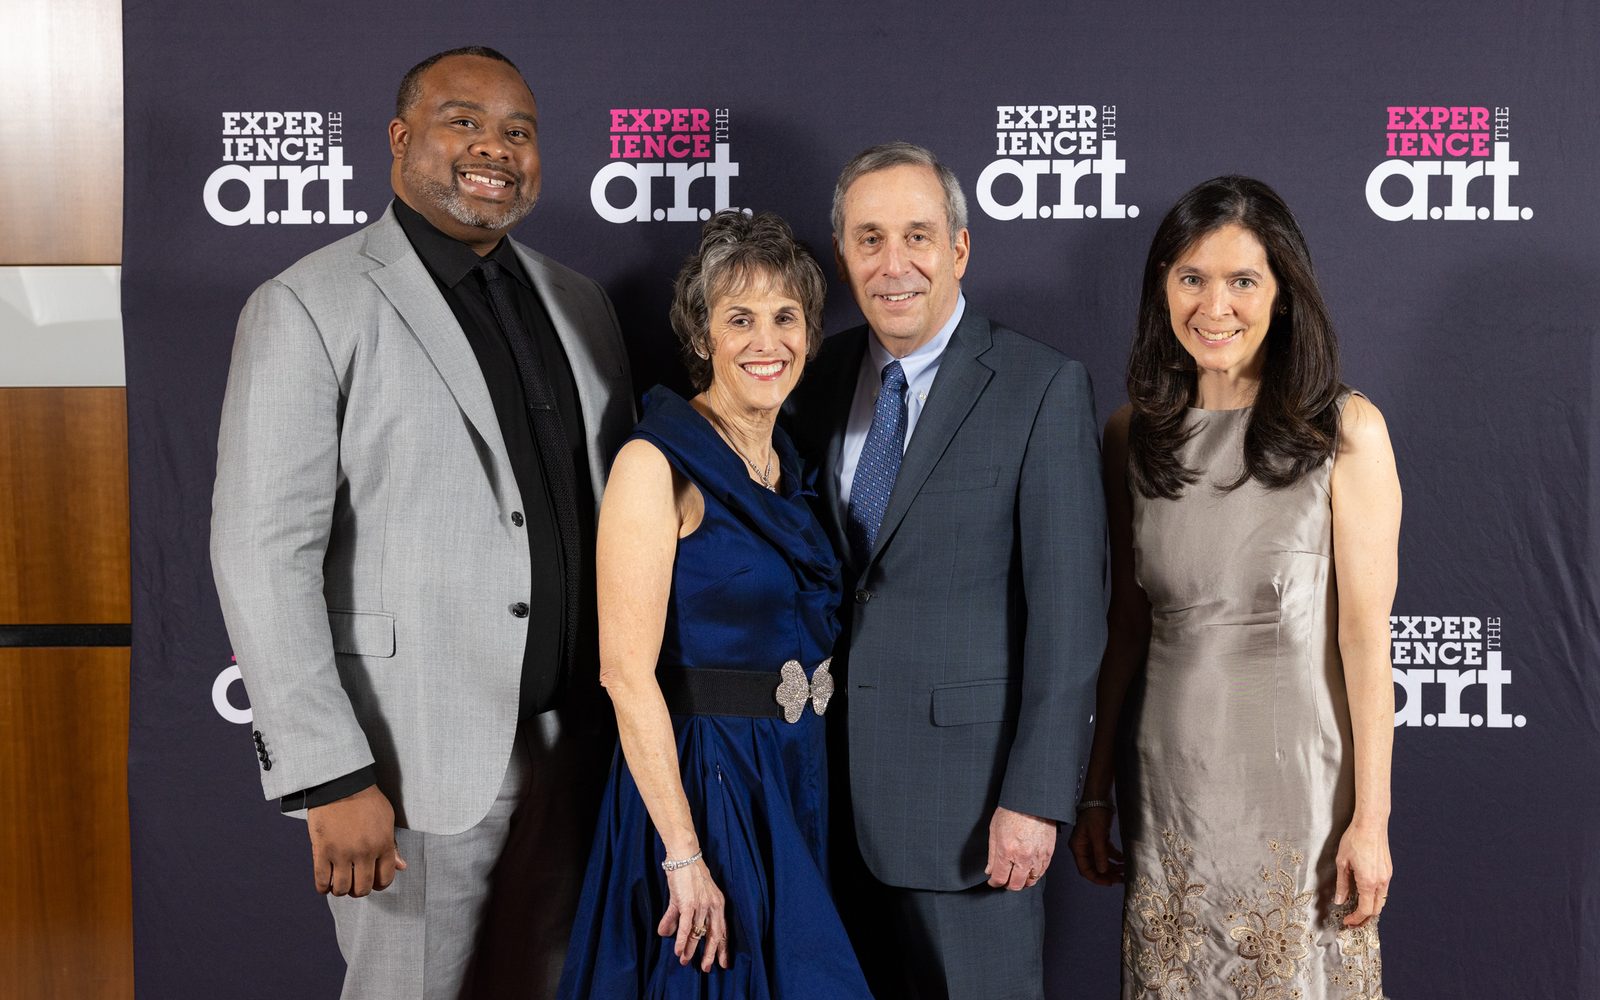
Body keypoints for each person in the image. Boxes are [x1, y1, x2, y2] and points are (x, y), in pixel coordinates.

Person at [210, 46, 633, 1000]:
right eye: (464, 121)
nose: (495, 148)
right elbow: (261, 554)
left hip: (580, 759)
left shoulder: (579, 303)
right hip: (410, 770)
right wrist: (327, 774)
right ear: (401, 140)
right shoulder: (307, 304)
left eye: (518, 131)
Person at [784, 142, 1107, 999]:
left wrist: (1036, 798)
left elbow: (1070, 618)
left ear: (959, 248)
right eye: (869, 238)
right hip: (823, 806)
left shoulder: (1040, 386)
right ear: (843, 255)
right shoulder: (808, 379)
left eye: (918, 236)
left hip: (971, 818)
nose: (894, 264)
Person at [1067, 175, 1398, 999]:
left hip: (1300, 789)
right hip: (1168, 784)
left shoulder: (1346, 430)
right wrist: (1096, 790)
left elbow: (1365, 641)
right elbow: (1127, 627)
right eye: (1192, 278)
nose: (1214, 307)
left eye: (1243, 280)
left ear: (1283, 293)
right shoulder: (1132, 435)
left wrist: (1372, 821)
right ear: (1163, 288)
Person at [558, 210, 872, 998]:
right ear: (702, 336)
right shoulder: (655, 463)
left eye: (785, 317)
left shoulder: (788, 461)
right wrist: (683, 853)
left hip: (793, 774)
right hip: (707, 782)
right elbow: (625, 674)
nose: (767, 341)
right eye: (740, 319)